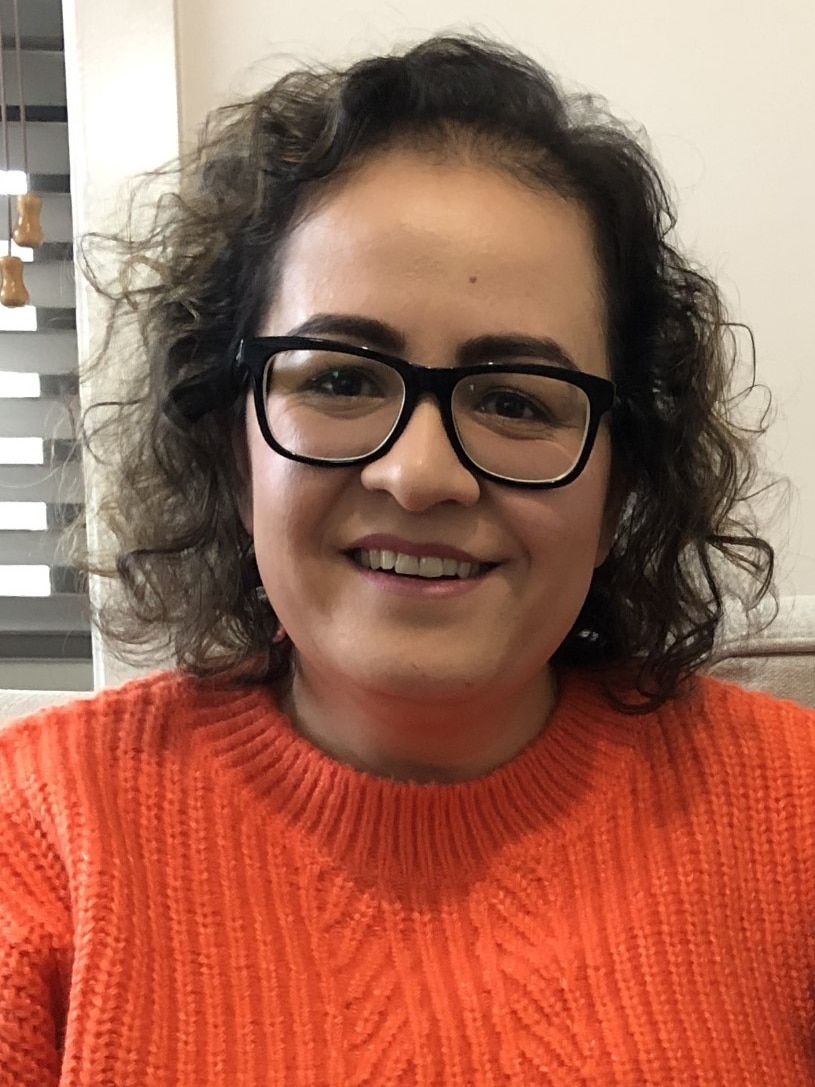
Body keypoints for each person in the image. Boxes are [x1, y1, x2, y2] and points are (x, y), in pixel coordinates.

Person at [1, 34, 813, 1086]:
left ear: (622, 474)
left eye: (516, 399)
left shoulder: (793, 817)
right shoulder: (43, 831)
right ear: (225, 434)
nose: (421, 474)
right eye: (338, 381)